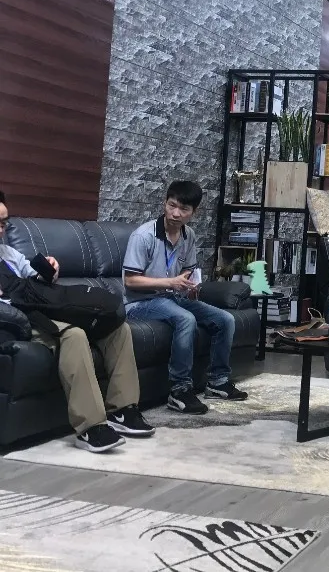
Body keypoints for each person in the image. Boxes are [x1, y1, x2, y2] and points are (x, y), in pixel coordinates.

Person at [0, 191, 153, 452]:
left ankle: (123, 409)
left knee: (117, 328)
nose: (1, 230)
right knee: (74, 334)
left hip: (44, 306)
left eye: (4, 223)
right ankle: (91, 427)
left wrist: (49, 271)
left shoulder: (7, 253)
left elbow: (34, 280)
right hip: (20, 319)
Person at [123, 180, 247, 415]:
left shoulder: (188, 235)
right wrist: (171, 282)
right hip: (139, 302)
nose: (176, 214)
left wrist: (190, 286)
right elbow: (130, 281)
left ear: (194, 212)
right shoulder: (144, 236)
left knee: (225, 319)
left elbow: (187, 271)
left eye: (184, 209)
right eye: (172, 205)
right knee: (185, 319)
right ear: (165, 203)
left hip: (171, 298)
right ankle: (179, 390)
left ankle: (218, 381)